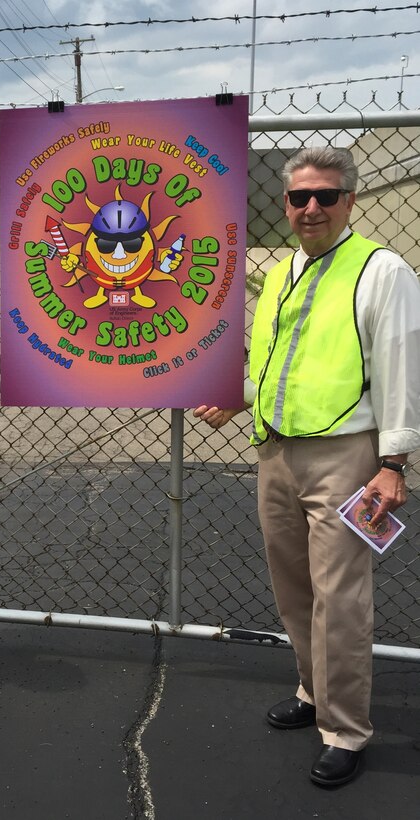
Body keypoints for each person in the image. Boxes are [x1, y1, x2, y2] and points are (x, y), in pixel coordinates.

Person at [194, 146, 420, 787]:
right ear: (286, 204)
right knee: (294, 589)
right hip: (277, 451)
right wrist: (239, 395)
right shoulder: (286, 271)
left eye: (326, 195)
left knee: (340, 598)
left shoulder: (381, 271)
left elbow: (403, 369)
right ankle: (313, 691)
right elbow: (278, 359)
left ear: (350, 200)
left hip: (345, 459)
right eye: (300, 197)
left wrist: (393, 462)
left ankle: (346, 729)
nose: (312, 207)